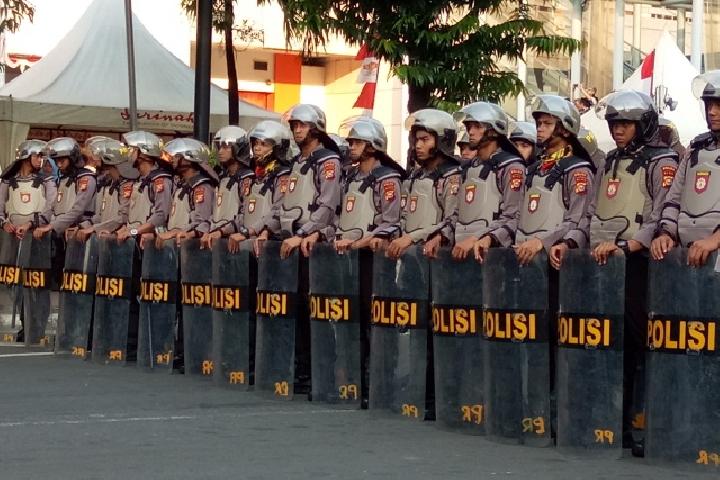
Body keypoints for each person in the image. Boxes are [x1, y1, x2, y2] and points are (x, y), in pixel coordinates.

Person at [574, 91, 678, 454]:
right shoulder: (610, 161)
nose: (618, 131)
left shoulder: (661, 161)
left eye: (625, 124)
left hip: (637, 262)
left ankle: (641, 424)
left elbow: (661, 212)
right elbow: (589, 211)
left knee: (638, 342)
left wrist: (630, 245)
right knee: (605, 342)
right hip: (601, 261)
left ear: (643, 124)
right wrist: (575, 243)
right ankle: (609, 422)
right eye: (614, 124)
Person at [516, 95, 596, 267]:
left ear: (566, 130)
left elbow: (578, 221)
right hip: (524, 256)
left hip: (557, 261)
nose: (540, 128)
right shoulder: (533, 169)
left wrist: (541, 242)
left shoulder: (578, 170)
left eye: (547, 124)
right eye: (539, 124)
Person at [255, 104, 343, 259]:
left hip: (313, 244)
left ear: (315, 129)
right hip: (289, 238)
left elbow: (328, 206)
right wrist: (266, 230)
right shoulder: (295, 162)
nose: (297, 130)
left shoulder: (327, 161)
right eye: (295, 125)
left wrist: (303, 234)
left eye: (303, 125)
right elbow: (282, 205)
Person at [652, 70, 720, 266]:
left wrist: (714, 240)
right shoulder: (695, 148)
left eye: (719, 105)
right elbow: (673, 200)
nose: (712, 111)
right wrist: (666, 233)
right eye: (709, 105)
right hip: (688, 257)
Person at [449, 102, 526, 262]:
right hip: (461, 254)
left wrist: (481, 237)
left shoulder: (511, 167)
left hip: (494, 257)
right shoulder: (467, 169)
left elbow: (513, 216)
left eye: (477, 126)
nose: (470, 131)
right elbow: (455, 214)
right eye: (469, 126)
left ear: (493, 131)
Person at [386, 109, 462, 260]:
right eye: (416, 140)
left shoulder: (452, 177)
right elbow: (403, 218)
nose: (418, 145)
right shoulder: (414, 177)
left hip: (437, 259)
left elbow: (452, 220)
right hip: (409, 257)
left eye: (425, 139)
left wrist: (411, 238)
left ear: (442, 140)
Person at [334, 116, 405, 253]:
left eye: (358, 143)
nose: (352, 147)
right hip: (345, 252)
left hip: (372, 255)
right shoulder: (350, 176)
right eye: (351, 143)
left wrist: (357, 244)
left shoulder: (387, 179)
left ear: (373, 146)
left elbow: (390, 222)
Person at [227, 121, 292, 254]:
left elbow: (278, 210)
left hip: (271, 244)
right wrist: (222, 230)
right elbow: (243, 212)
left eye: (263, 144)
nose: (257, 148)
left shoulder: (282, 175)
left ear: (277, 147)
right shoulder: (254, 177)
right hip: (248, 243)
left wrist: (253, 231)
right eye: (255, 143)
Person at [155, 138, 218, 247]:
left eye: (177, 156)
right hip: (178, 247)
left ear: (189, 159)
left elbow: (202, 222)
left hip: (193, 249)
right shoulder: (182, 185)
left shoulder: (201, 187)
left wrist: (173, 233)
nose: (173, 159)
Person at [115, 131, 174, 247]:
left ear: (143, 153)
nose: (129, 152)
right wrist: (125, 228)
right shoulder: (140, 180)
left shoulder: (160, 180)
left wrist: (132, 232)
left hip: (150, 244)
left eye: (133, 149)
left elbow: (160, 216)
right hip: (134, 243)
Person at [200, 126, 254, 250]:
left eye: (225, 147)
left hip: (236, 243)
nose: (220, 152)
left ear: (238, 149)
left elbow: (246, 214)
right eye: (219, 147)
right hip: (216, 241)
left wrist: (222, 231)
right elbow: (214, 213)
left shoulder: (247, 178)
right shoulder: (222, 178)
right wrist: (204, 230)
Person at [33, 138, 97, 240]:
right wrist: (33, 223)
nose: (59, 165)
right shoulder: (64, 179)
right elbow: (53, 208)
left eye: (62, 160)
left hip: (79, 234)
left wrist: (52, 226)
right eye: (56, 161)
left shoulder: (85, 178)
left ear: (72, 158)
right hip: (62, 233)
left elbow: (78, 210)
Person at [75, 139, 139, 241]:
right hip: (108, 239)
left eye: (107, 169)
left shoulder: (127, 186)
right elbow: (102, 215)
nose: (105, 173)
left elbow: (123, 217)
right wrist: (85, 225)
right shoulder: (111, 185)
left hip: (123, 240)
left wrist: (95, 228)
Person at [0, 140, 56, 240]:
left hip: (37, 235)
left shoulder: (47, 181)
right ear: (25, 158)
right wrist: (4, 223)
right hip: (11, 237)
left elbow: (51, 209)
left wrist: (30, 224)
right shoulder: (8, 181)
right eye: (37, 156)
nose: (40, 160)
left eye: (41, 156)